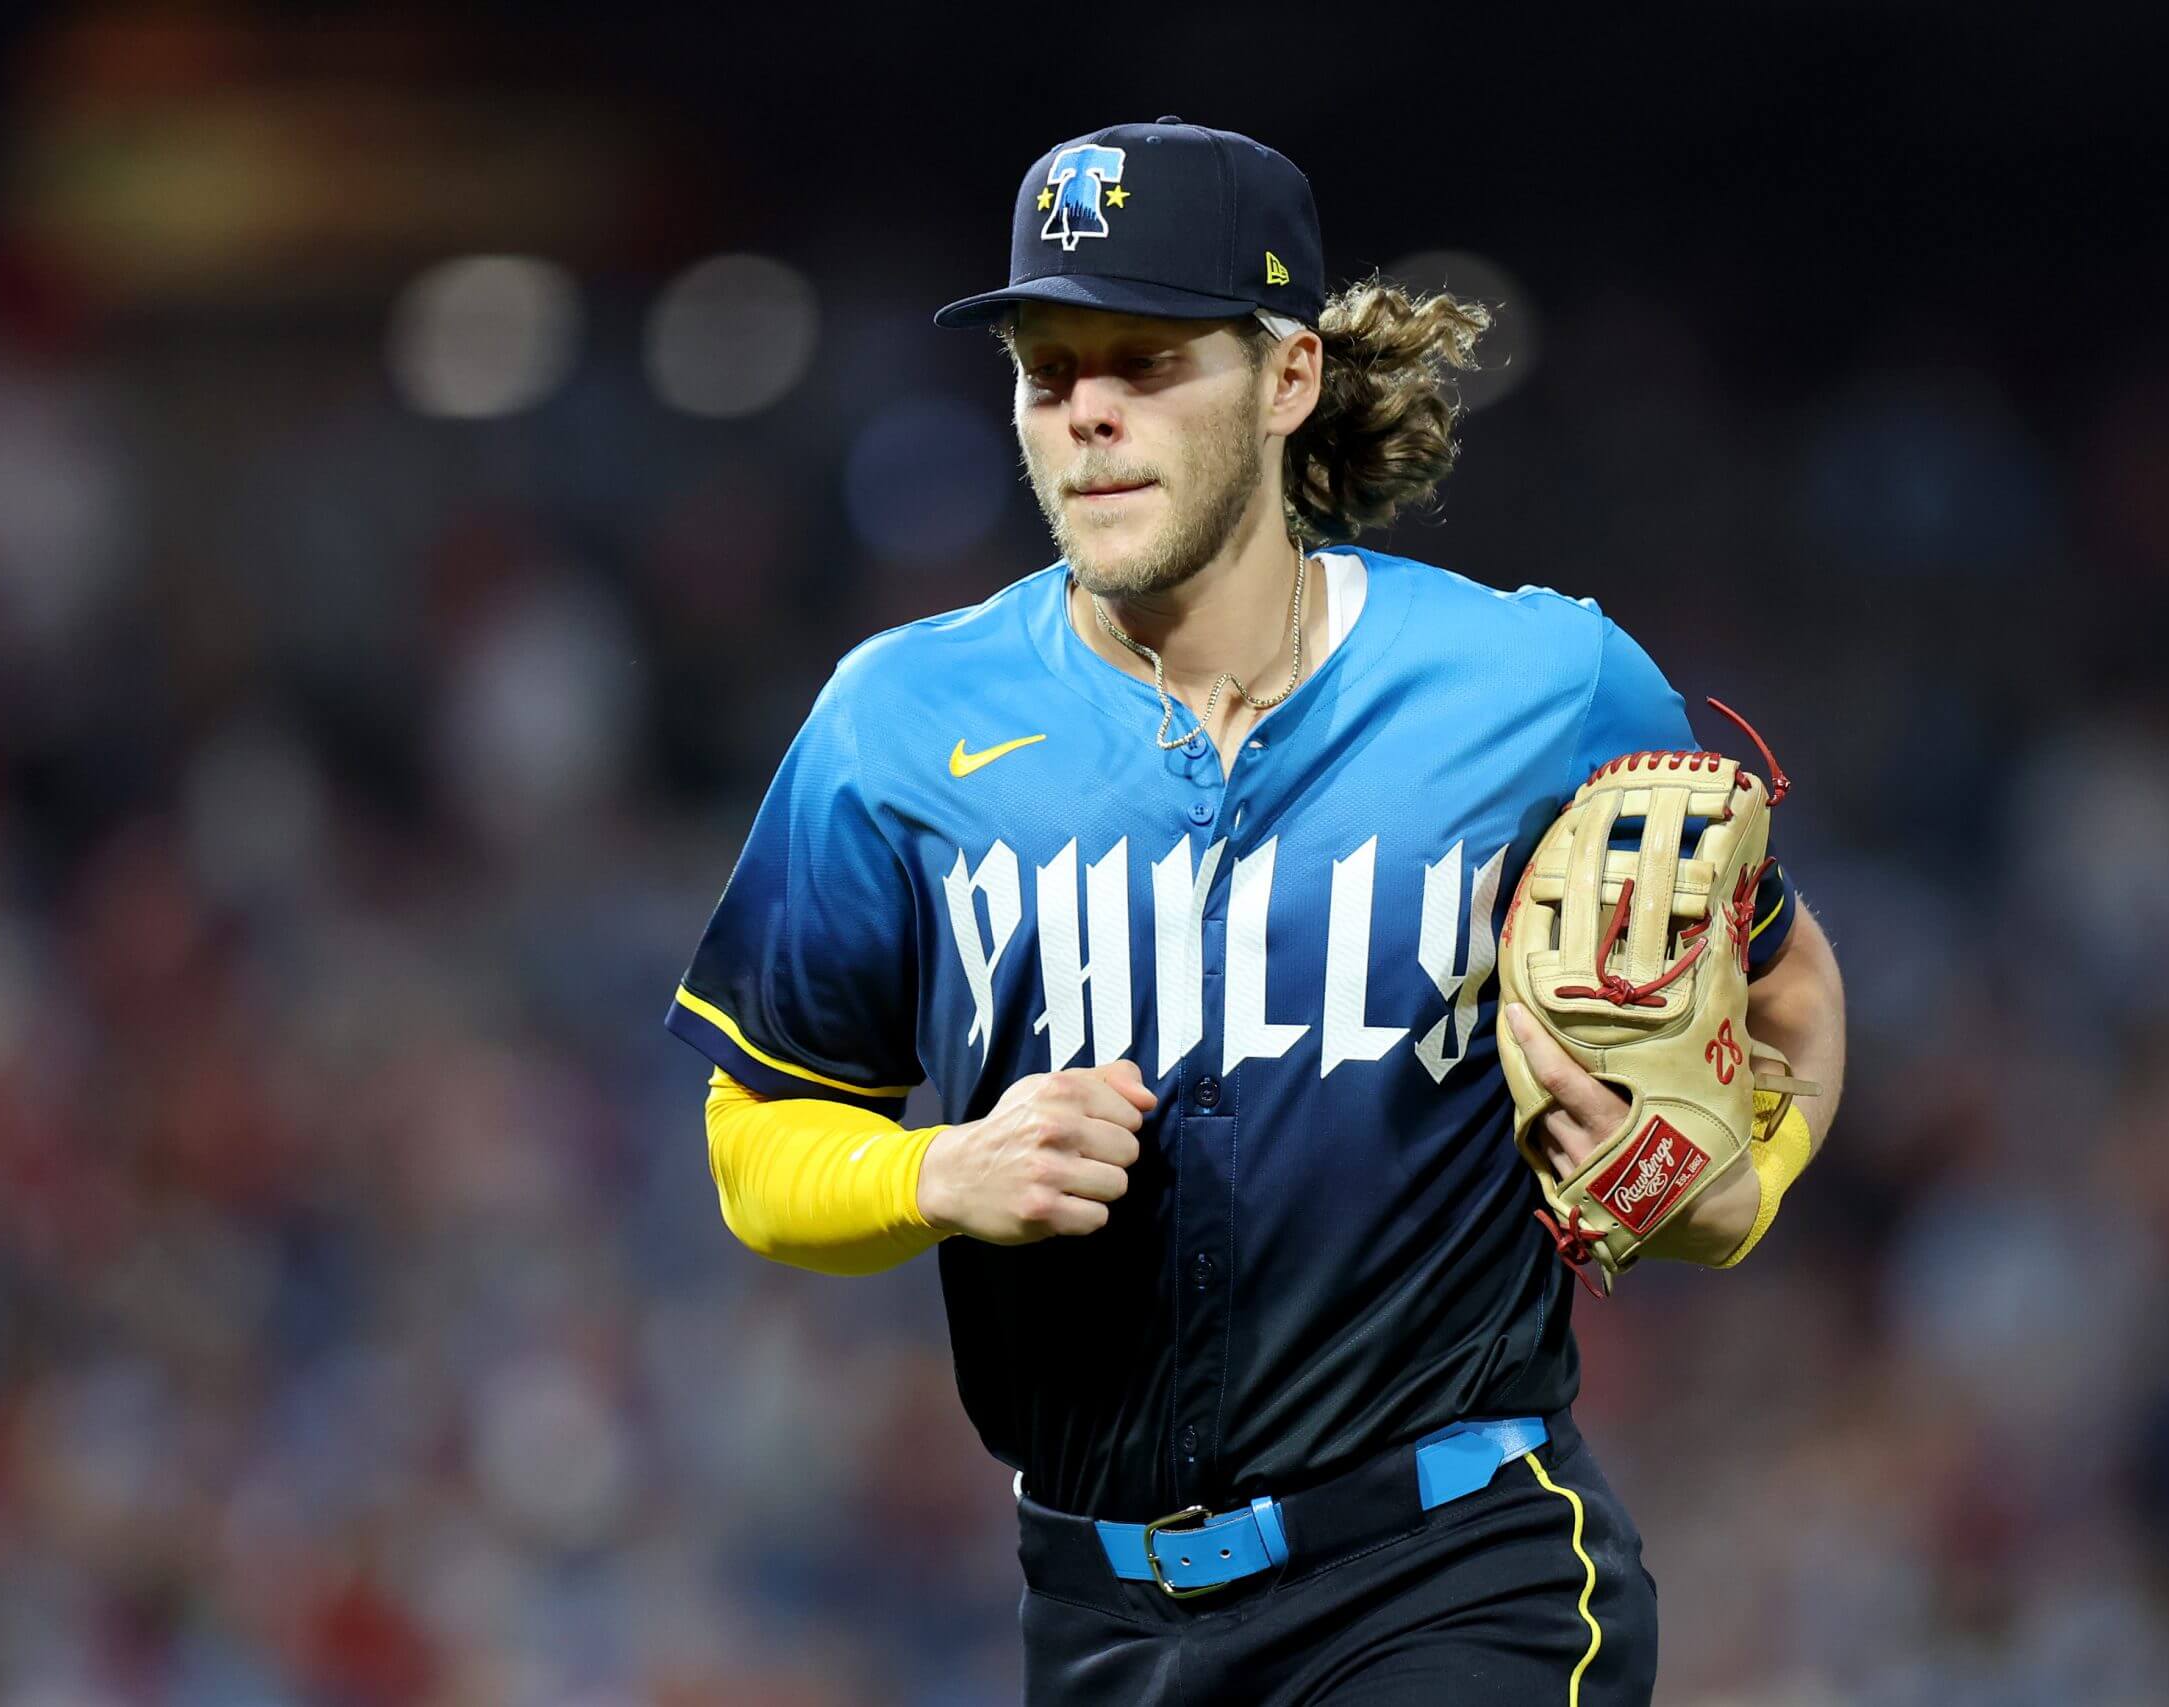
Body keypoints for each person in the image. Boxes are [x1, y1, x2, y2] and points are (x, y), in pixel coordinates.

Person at [665, 117, 1848, 1706]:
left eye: (1146, 360)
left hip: (1455, 1577)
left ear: (1288, 378)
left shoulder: (1538, 686)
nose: (1085, 410)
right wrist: (940, 1168)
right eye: (1046, 367)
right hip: (1096, 1620)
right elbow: (760, 1139)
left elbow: (1787, 982)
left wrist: (1746, 1187)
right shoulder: (897, 723)